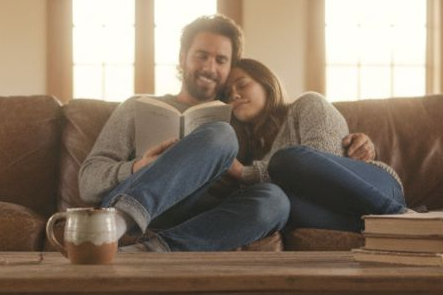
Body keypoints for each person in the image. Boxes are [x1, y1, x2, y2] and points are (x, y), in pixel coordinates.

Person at [78, 15, 290, 252]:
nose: (209, 68)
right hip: (136, 208)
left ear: (230, 67)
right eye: (201, 56)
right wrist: (138, 167)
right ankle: (119, 221)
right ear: (182, 58)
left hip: (200, 220)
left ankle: (153, 250)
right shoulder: (136, 107)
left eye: (221, 60)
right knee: (222, 134)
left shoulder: (240, 117)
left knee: (276, 200)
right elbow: (87, 181)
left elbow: (285, 162)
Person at [224, 57, 407, 232]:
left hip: (374, 189)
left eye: (242, 84)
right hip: (340, 214)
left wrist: (244, 173)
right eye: (227, 94)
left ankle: (401, 217)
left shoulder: (307, 104)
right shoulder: (248, 152)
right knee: (278, 201)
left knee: (285, 159)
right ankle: (381, 228)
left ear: (267, 84)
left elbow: (324, 157)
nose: (234, 94)